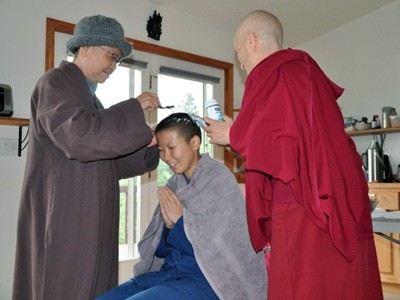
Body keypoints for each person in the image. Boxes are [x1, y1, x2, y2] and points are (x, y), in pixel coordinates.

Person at [205, 10, 383, 300]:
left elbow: (280, 148)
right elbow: (298, 138)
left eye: (240, 54)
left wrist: (232, 136)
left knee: (304, 286)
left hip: (301, 203)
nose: (241, 63)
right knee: (346, 284)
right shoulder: (308, 72)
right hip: (343, 194)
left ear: (251, 41)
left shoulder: (270, 72)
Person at [12, 15, 161, 300]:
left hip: (90, 218)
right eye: (111, 56)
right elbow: (80, 137)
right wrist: (133, 108)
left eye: (118, 60)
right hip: (66, 218)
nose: (114, 66)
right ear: (85, 48)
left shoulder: (91, 100)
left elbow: (108, 162)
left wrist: (149, 142)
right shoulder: (55, 83)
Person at [96, 112, 267, 300]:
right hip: (169, 273)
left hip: (207, 279)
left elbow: (219, 252)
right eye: (161, 150)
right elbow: (159, 251)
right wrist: (169, 228)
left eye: (171, 147)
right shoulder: (174, 184)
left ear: (194, 143)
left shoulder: (219, 181)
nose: (166, 157)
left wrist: (179, 222)